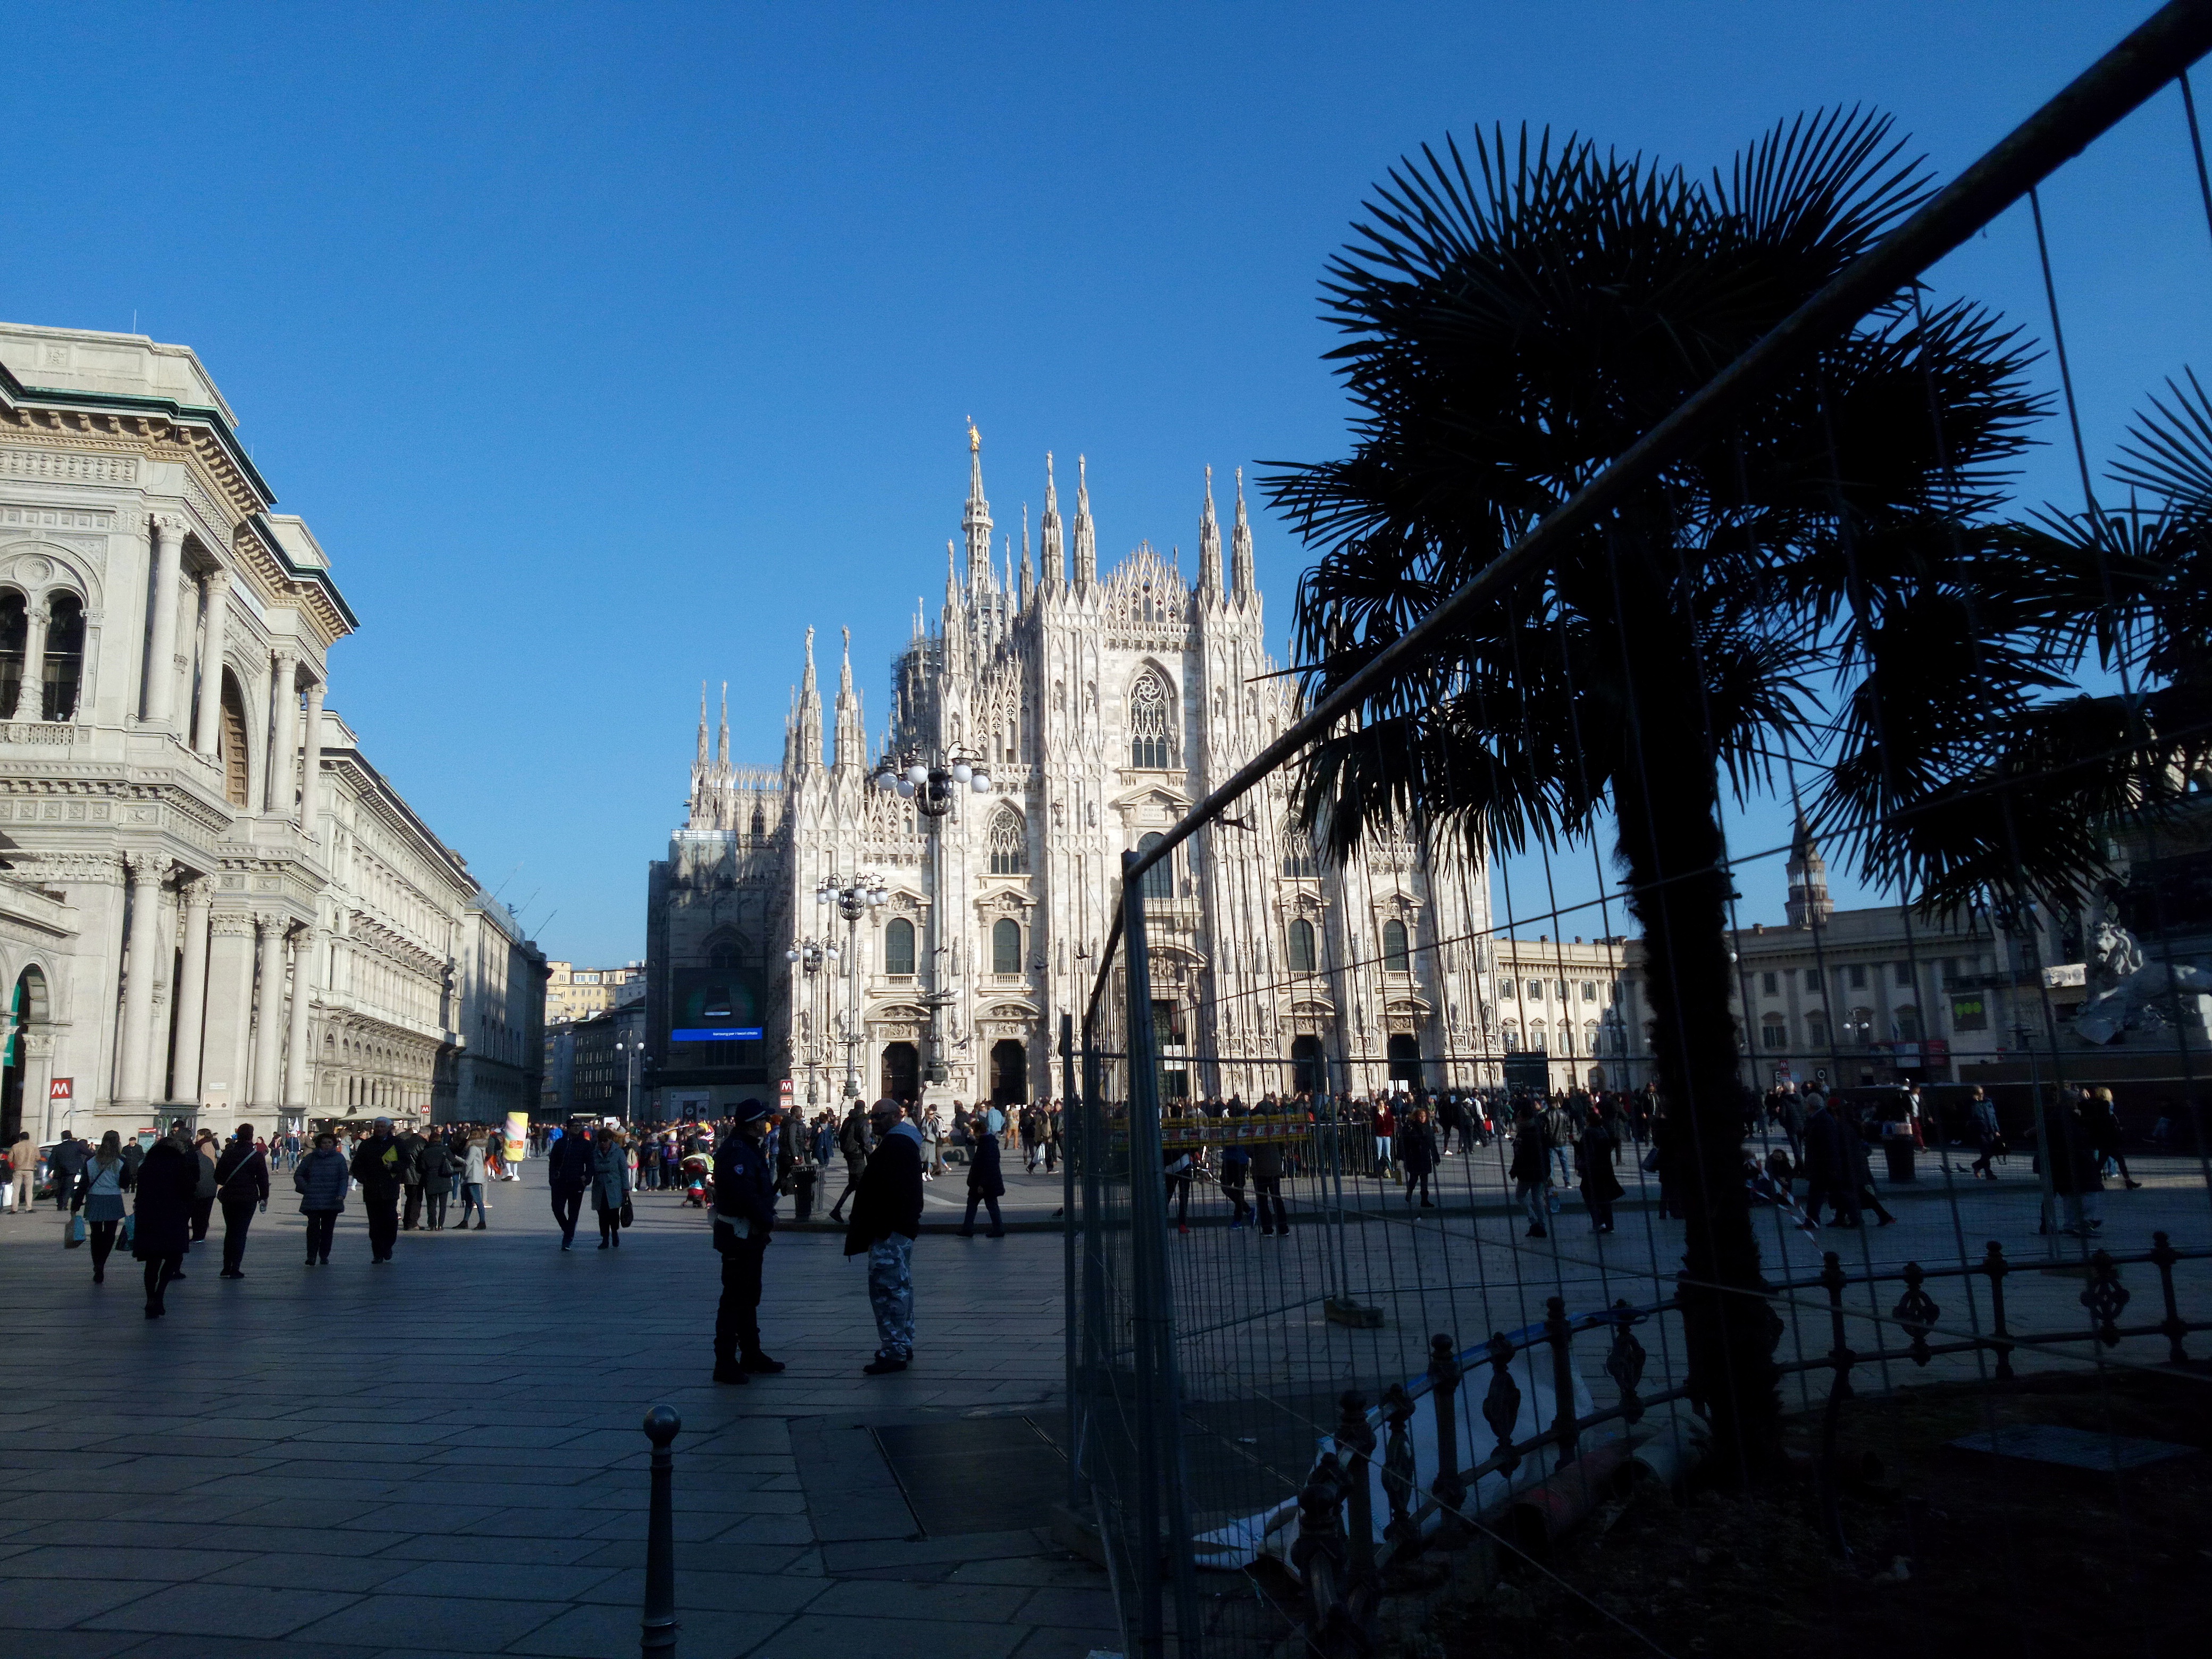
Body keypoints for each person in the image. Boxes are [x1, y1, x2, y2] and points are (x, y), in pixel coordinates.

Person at [844, 1097, 924, 1375]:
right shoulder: (901, 1143)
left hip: (890, 1231)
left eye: (878, 1117)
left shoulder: (896, 1146)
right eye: (872, 1117)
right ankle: (902, 1343)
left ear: (895, 1117)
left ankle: (894, 1351)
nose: (873, 1122)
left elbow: (891, 1193)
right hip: (898, 1229)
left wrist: (880, 1226)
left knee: (888, 1293)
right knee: (901, 1289)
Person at [711, 1099, 785, 1384]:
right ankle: (725, 1362)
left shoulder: (748, 1148)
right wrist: (767, 1218)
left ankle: (751, 1353)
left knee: (748, 1296)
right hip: (738, 1235)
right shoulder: (738, 1152)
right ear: (754, 1123)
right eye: (764, 1120)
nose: (766, 1125)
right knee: (734, 1298)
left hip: (749, 1236)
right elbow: (744, 1195)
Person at [132, 1125, 197, 1318]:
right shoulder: (180, 1165)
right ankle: (160, 1294)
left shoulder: (146, 1166)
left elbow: (140, 1193)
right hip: (173, 1216)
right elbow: (189, 1191)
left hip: (149, 1217)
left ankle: (150, 1297)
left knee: (152, 1261)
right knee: (173, 1257)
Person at [72, 1131, 132, 1283]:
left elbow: (83, 1185)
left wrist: (76, 1204)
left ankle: (97, 1264)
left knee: (96, 1234)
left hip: (95, 1198)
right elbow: (125, 1184)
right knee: (110, 1234)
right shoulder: (121, 1161)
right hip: (112, 1199)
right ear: (118, 1142)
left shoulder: (91, 1161)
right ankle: (102, 1263)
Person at [213, 1124, 270, 1278]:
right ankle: (235, 1268)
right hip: (248, 1198)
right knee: (240, 1232)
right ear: (251, 1136)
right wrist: (264, 1197)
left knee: (230, 1231)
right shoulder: (256, 1155)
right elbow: (263, 1179)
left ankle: (226, 1267)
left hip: (230, 1197)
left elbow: (218, 1177)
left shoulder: (228, 1154)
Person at [350, 1117, 405, 1263]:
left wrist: (394, 1166)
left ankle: (388, 1245)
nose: (380, 1129)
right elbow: (357, 1166)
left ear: (389, 1128)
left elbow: (406, 1162)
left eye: (382, 1127)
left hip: (389, 1188)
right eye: (378, 1127)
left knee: (391, 1220)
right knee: (375, 1224)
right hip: (372, 1189)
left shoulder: (397, 1143)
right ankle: (378, 1253)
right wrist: (364, 1179)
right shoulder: (367, 1145)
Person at [295, 1130, 349, 1263]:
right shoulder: (310, 1158)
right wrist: (306, 1188)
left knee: (328, 1229)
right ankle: (311, 1255)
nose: (327, 1145)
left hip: (332, 1199)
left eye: (330, 1143)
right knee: (313, 1228)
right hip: (313, 1197)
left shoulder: (339, 1159)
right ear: (319, 1144)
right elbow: (299, 1175)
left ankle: (324, 1254)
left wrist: (342, 1194)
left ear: (334, 1144)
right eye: (324, 1143)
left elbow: (343, 1178)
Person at [546, 1123, 594, 1249]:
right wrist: (552, 1179)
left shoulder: (585, 1144)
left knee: (573, 1213)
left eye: (579, 1126)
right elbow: (553, 1163)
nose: (577, 1128)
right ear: (569, 1128)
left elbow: (590, 1163)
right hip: (560, 1182)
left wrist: (587, 1178)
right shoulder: (560, 1143)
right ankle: (568, 1230)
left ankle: (567, 1239)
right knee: (557, 1209)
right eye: (574, 1126)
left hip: (577, 1183)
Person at [1511, 1101, 1552, 1238]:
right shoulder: (1540, 1132)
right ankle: (1542, 1225)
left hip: (1527, 1173)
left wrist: (1514, 1171)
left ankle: (1534, 1221)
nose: (1517, 1120)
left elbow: (1519, 1157)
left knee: (1520, 1196)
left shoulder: (1523, 1136)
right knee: (1537, 1197)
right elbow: (1546, 1153)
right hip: (1541, 1171)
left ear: (1524, 1119)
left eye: (1519, 1117)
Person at [960, 1113, 1006, 1237]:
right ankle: (968, 1228)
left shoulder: (987, 1144)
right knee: (978, 1204)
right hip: (982, 1181)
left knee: (989, 1205)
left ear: (979, 1132)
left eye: (975, 1133)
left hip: (984, 1182)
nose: (974, 1135)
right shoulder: (988, 1142)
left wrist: (982, 1184)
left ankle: (997, 1229)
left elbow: (988, 1165)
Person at [827, 1101, 873, 1224]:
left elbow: (841, 1135)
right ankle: (859, 1215)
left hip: (849, 1153)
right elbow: (865, 1140)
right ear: (863, 1108)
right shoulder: (862, 1120)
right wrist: (871, 1158)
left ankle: (837, 1210)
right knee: (863, 1185)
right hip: (857, 1154)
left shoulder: (848, 1119)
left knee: (853, 1184)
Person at [1577, 1115, 1623, 1233]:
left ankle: (1598, 1222)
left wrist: (1574, 1143)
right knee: (1604, 1197)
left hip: (1593, 1169)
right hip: (1606, 1169)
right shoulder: (1603, 1132)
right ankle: (1609, 1224)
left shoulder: (1589, 1133)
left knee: (1588, 1193)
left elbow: (1584, 1150)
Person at [591, 1128, 632, 1249]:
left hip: (614, 1187)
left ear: (611, 1140)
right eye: (601, 1141)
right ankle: (605, 1238)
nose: (603, 1143)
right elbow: (591, 1167)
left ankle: (614, 1233)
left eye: (605, 1141)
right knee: (602, 1214)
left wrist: (626, 1188)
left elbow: (624, 1171)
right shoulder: (595, 1152)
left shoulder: (618, 1152)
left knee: (613, 1213)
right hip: (600, 1187)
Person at [1400, 1107, 1439, 1209]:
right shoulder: (1411, 1127)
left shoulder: (1428, 1127)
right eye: (1421, 1116)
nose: (1423, 1118)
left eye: (1424, 1116)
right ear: (1416, 1117)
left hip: (1425, 1156)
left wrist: (1436, 1157)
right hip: (1414, 1156)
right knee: (1414, 1178)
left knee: (1424, 1179)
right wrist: (1402, 1155)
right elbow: (1405, 1142)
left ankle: (1424, 1200)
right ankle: (1409, 1192)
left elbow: (1432, 1143)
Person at [188, 1129, 220, 1243]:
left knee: (200, 1210)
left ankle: (200, 1232)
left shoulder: (205, 1146)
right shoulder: (208, 1144)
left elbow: (208, 1163)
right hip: (208, 1179)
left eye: (198, 1135)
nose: (197, 1137)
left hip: (205, 1178)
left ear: (202, 1135)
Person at [417, 1132, 454, 1229]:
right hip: (444, 1179)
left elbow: (422, 1167)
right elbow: (452, 1161)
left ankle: (432, 1224)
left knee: (431, 1204)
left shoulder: (425, 1151)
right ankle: (441, 1224)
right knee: (443, 1205)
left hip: (430, 1179)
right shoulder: (445, 1150)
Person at [398, 1121, 430, 1230]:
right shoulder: (422, 1144)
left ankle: (407, 1221)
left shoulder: (408, 1141)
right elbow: (423, 1161)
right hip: (417, 1175)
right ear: (426, 1135)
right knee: (416, 1200)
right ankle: (413, 1223)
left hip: (406, 1174)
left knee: (409, 1199)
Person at [1967, 1087, 2004, 1179]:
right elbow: (1972, 1115)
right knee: (1986, 1151)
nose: (1981, 1096)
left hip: (1990, 1130)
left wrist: (1996, 1130)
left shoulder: (1988, 1103)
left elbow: (1993, 1117)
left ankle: (1977, 1165)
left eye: (1982, 1093)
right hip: (1979, 1131)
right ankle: (1989, 1173)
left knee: (1991, 1151)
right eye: (1979, 1094)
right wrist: (1975, 1102)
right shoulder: (1972, 1104)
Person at [458, 1133, 490, 1229]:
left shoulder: (473, 1148)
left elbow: (468, 1162)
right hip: (476, 1175)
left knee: (477, 1200)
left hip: (472, 1177)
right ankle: (465, 1221)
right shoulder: (481, 1148)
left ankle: (482, 1222)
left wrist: (455, 1158)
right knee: (469, 1200)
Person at [6, 1128, 36, 1215]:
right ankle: (28, 1208)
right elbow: (38, 1157)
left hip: (18, 1170)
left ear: (20, 1138)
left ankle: (14, 1209)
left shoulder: (15, 1146)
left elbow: (10, 1159)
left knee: (16, 1190)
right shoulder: (34, 1146)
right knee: (29, 1190)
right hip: (30, 1170)